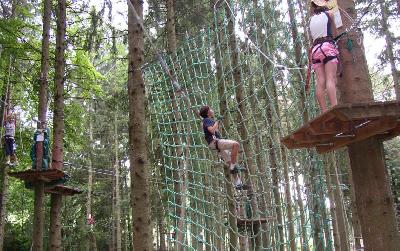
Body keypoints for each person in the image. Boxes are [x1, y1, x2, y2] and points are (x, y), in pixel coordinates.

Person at [199, 105, 245, 189]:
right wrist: (217, 121)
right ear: (208, 112)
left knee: (229, 161)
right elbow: (212, 130)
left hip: (216, 144)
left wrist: (217, 122)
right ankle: (233, 165)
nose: (212, 110)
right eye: (211, 109)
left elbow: (212, 130)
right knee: (236, 144)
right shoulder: (206, 120)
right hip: (215, 142)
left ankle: (238, 182)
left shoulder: (207, 121)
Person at [307, 0, 339, 113]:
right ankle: (335, 107)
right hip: (327, 47)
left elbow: (312, 38)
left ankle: (324, 111)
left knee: (320, 81)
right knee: (331, 78)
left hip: (315, 50)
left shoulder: (310, 20)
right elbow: (335, 33)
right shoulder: (329, 14)